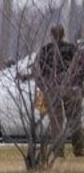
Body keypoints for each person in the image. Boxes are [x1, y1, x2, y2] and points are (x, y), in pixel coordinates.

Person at [34, 24, 84, 158]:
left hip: (52, 89)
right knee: (75, 120)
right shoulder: (73, 49)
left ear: (51, 35)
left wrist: (43, 87)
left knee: (56, 121)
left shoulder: (45, 50)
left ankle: (58, 151)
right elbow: (80, 68)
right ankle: (78, 149)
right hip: (72, 88)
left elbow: (37, 70)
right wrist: (79, 86)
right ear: (64, 34)